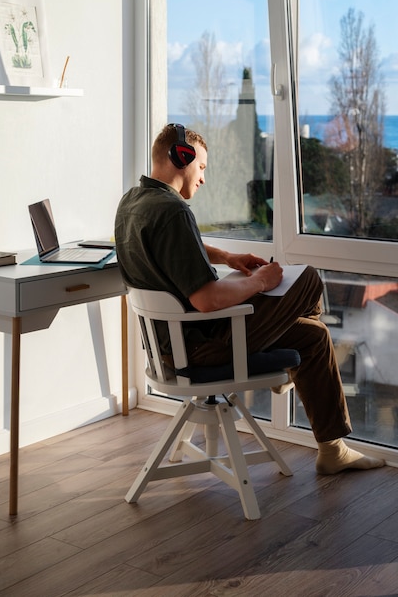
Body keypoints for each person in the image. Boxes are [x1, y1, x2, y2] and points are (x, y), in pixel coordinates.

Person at [115, 123, 385, 476]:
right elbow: (207, 300)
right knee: (305, 278)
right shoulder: (174, 211)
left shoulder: (134, 202)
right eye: (202, 168)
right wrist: (259, 281)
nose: (203, 178)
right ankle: (287, 367)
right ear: (182, 157)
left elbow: (175, 250)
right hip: (200, 347)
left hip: (168, 348)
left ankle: (332, 449)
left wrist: (228, 258)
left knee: (313, 337)